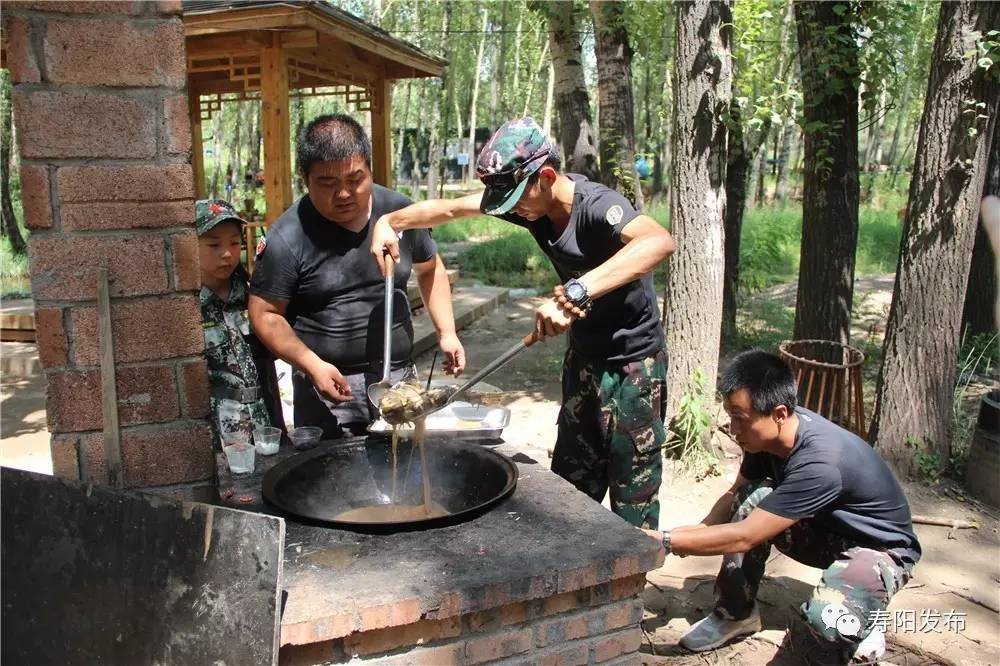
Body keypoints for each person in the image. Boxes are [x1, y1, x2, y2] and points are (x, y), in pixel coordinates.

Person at [370, 118, 675, 529]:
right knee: (568, 494)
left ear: (546, 177)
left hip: (634, 368)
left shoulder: (598, 206)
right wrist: (389, 223)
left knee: (632, 499)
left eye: (516, 199)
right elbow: (448, 208)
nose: (512, 210)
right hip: (583, 360)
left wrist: (578, 291)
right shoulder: (530, 206)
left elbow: (658, 241)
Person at [646, 350, 921, 664]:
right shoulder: (764, 436)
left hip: (879, 551)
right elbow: (735, 495)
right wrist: (682, 535)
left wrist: (668, 542)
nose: (732, 428)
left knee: (827, 621)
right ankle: (735, 613)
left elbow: (744, 537)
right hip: (824, 528)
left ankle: (864, 612)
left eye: (740, 418)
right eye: (730, 414)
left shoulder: (820, 462)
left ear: (778, 413)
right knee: (750, 497)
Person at [248, 114, 465, 439]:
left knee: (406, 471)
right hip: (327, 388)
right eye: (328, 183)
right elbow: (264, 314)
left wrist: (446, 332)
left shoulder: (399, 213)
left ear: (369, 169)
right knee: (332, 481)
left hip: (399, 377)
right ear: (305, 179)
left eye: (355, 179)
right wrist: (311, 364)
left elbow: (430, 268)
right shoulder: (288, 236)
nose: (344, 193)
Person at [196, 199, 282, 450]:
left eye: (235, 243)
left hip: (266, 421)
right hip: (218, 435)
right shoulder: (186, 308)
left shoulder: (254, 297)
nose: (227, 253)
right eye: (213, 244)